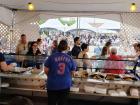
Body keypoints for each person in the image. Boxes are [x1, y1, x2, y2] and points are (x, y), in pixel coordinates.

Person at [44, 40, 76, 105]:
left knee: (51, 102)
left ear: (58, 47)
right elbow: (73, 73)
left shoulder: (51, 57)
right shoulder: (70, 58)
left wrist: (50, 76)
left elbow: (46, 70)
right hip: (65, 84)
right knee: (63, 102)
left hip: (52, 84)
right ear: (67, 48)